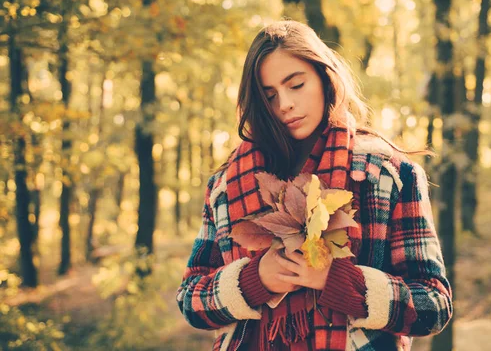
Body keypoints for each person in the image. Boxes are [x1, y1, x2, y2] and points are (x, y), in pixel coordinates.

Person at [176, 20, 452, 351]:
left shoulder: (387, 174)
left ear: (325, 77)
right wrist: (252, 281)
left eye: (296, 85)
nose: (284, 105)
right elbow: (190, 301)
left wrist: (340, 281)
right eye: (270, 96)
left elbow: (434, 305)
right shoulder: (224, 186)